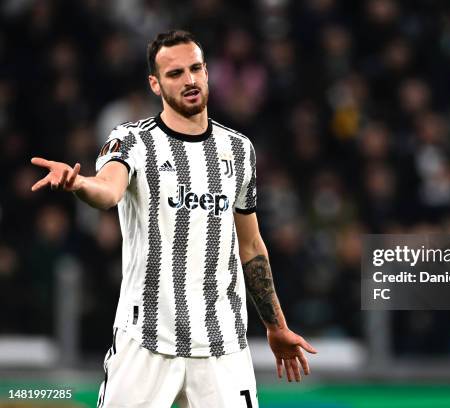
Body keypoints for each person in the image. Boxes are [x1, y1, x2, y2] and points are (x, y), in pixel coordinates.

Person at [31, 29, 316, 408]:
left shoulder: (238, 150)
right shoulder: (132, 140)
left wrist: (276, 326)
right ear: (155, 83)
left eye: (196, 68)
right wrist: (78, 183)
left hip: (222, 346)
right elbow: (108, 190)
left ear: (208, 72)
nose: (190, 80)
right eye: (175, 73)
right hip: (146, 340)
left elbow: (250, 245)